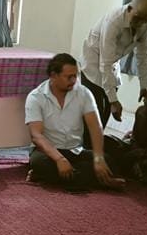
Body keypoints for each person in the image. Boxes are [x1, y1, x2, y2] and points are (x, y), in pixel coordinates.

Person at [24, 53, 123, 192]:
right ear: (53, 75)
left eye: (76, 76)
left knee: (108, 161)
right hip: (48, 152)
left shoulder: (84, 93)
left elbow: (95, 127)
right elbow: (36, 136)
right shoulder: (36, 97)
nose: (74, 80)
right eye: (69, 77)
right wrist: (59, 159)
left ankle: (60, 178)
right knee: (40, 163)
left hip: (75, 150)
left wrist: (98, 158)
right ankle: (89, 180)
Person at [80, 0, 147, 126]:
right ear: (129, 9)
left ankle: (97, 144)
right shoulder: (114, 21)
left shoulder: (146, 22)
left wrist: (144, 86)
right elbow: (105, 63)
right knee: (94, 109)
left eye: (144, 21)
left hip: (112, 63)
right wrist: (113, 101)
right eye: (137, 18)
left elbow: (144, 55)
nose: (139, 24)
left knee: (106, 113)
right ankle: (88, 145)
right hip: (93, 63)